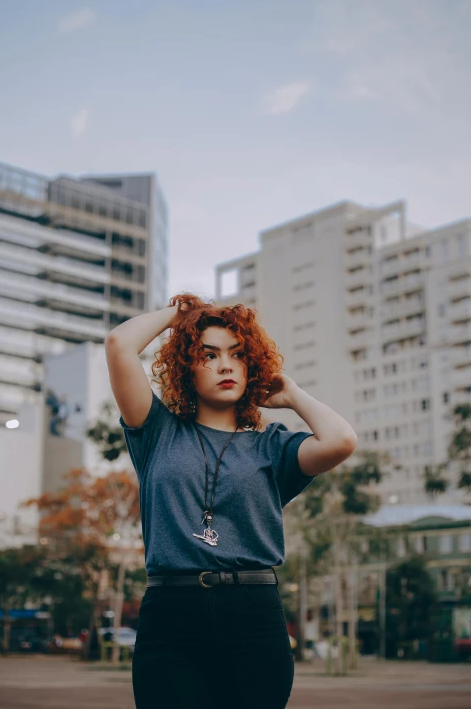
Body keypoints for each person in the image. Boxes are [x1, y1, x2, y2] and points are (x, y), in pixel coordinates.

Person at [105, 295, 358, 709]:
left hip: (253, 615)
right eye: (209, 354)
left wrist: (292, 394)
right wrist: (185, 313)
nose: (225, 365)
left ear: (251, 366)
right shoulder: (156, 431)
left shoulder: (273, 448)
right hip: (171, 614)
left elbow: (341, 441)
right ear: (188, 365)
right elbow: (119, 344)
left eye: (237, 355)